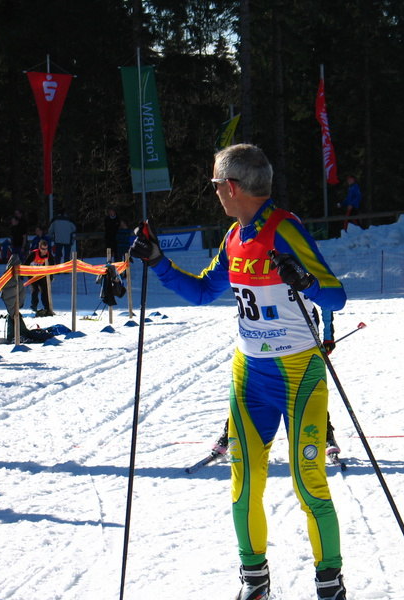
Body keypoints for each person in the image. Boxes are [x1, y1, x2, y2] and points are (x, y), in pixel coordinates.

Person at [129, 143, 348, 600]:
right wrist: (157, 262)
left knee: (308, 482)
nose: (213, 192)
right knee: (244, 483)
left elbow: (336, 295)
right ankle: (255, 581)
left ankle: (330, 584)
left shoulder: (284, 229)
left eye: (215, 184)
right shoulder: (234, 236)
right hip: (249, 377)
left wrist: (305, 281)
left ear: (231, 186)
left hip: (299, 373)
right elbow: (203, 292)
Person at [209, 309, 343, 461]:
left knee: (306, 389)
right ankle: (230, 433)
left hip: (299, 331)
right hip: (262, 332)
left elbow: (327, 301)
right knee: (251, 388)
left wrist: (328, 337)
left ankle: (325, 434)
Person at [24, 238, 55, 317]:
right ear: (39, 248)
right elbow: (25, 264)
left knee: (45, 291)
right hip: (32, 274)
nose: (45, 251)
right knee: (35, 290)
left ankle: (47, 308)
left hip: (41, 275)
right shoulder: (33, 254)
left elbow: (52, 267)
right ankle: (34, 306)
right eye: (43, 249)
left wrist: (51, 277)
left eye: (46, 249)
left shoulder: (48, 255)